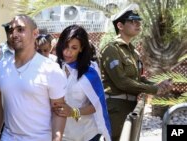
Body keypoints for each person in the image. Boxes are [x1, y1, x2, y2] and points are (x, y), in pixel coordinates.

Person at [100, 4, 173, 141]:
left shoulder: (133, 52)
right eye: (132, 21)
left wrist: (158, 85)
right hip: (116, 108)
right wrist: (153, 89)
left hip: (131, 107)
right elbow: (122, 82)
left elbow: (139, 79)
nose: (138, 23)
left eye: (139, 21)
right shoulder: (111, 50)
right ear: (120, 26)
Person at [0, 14, 67, 141]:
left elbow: (58, 111)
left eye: (20, 29)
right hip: (8, 136)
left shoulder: (51, 69)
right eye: (11, 30)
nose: (14, 34)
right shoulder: (0, 67)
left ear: (35, 33)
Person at [54, 25, 111, 141]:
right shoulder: (53, 68)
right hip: (60, 134)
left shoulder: (90, 71)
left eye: (74, 48)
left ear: (81, 48)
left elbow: (97, 104)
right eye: (65, 46)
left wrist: (74, 112)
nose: (68, 52)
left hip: (87, 134)